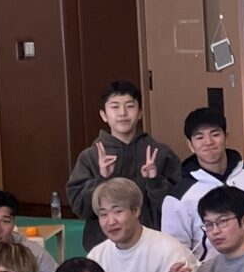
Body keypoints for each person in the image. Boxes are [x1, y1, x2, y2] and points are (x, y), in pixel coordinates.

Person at [161, 107, 244, 258]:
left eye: (215, 134)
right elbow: (176, 254)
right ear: (190, 145)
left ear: (226, 137)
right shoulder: (178, 197)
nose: (208, 142)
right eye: (199, 137)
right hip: (212, 271)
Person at [64, 81, 180, 226]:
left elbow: (178, 208)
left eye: (130, 106)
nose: (123, 113)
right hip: (105, 238)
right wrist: (102, 179)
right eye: (115, 107)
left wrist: (155, 181)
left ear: (140, 113)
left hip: (151, 237)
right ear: (104, 115)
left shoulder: (159, 153)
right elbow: (80, 208)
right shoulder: (90, 157)